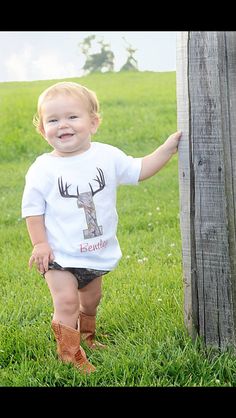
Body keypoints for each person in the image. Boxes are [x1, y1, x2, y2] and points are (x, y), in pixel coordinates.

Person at [21, 81, 181, 374]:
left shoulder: (106, 156)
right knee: (67, 301)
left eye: (72, 117)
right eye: (53, 120)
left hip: (95, 253)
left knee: (92, 299)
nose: (63, 125)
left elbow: (139, 169)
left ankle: (87, 336)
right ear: (43, 130)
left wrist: (167, 149)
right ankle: (70, 354)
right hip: (60, 256)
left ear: (93, 122)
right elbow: (33, 210)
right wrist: (40, 244)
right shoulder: (43, 168)